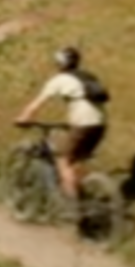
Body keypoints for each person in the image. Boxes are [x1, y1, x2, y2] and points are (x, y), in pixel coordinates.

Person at [13, 46, 107, 202]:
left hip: (83, 123)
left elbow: (37, 103)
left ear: (59, 64)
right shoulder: (88, 77)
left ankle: (73, 207)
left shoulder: (59, 80)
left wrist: (23, 117)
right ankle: (84, 194)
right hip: (100, 123)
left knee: (63, 161)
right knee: (77, 160)